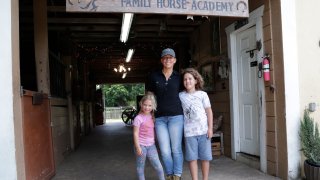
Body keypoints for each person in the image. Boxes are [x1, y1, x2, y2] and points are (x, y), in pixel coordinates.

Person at [146, 48, 184, 180]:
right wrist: (148, 113)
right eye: (165, 58)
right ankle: (169, 174)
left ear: (174, 60)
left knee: (176, 148)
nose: (168, 60)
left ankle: (177, 175)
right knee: (165, 149)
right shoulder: (154, 76)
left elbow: (185, 95)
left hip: (176, 116)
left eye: (170, 57)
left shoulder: (179, 77)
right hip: (160, 117)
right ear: (161, 60)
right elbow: (150, 96)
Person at [179, 68, 213, 180]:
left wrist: (210, 129)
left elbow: (209, 112)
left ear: (196, 80)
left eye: (190, 79)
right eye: (185, 79)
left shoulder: (202, 94)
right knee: (192, 158)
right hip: (189, 133)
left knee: (205, 158)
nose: (187, 81)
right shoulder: (180, 96)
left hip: (203, 131)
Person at [133, 92, 165, 180]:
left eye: (150, 105)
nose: (147, 107)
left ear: (153, 106)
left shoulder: (152, 116)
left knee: (158, 166)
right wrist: (137, 147)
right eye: (145, 105)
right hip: (141, 146)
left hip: (151, 146)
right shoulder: (138, 118)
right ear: (141, 104)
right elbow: (135, 133)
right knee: (140, 167)